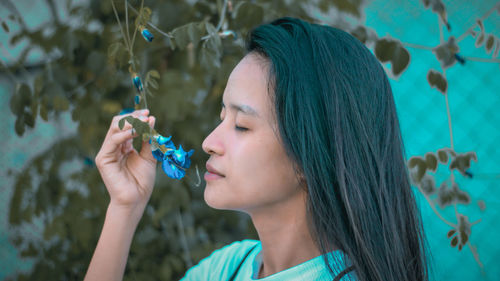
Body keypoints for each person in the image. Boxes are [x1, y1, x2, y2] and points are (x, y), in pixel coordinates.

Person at [84, 17, 429, 281]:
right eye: (222, 117)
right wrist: (124, 208)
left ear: (310, 154)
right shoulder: (229, 267)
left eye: (242, 125)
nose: (208, 143)